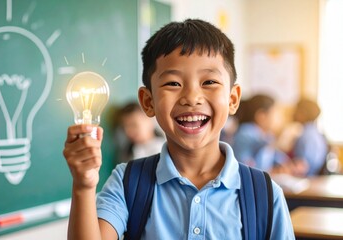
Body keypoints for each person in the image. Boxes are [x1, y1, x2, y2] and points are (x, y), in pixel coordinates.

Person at [63, 19, 294, 239]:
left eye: (209, 82)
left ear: (233, 99)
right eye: (173, 83)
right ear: (148, 101)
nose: (192, 97)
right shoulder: (127, 182)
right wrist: (83, 185)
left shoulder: (265, 194)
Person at [232, 94, 290, 173]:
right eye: (275, 114)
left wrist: (288, 164)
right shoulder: (246, 132)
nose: (279, 118)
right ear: (261, 116)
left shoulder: (268, 135)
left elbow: (277, 157)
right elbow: (245, 167)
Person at [290, 98, 328, 176]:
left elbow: (301, 167)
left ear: (302, 113)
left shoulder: (305, 136)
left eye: (296, 110)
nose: (292, 113)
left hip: (305, 179)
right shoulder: (317, 134)